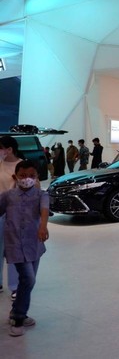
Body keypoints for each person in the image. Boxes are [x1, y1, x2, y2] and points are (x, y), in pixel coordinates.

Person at [0, 160, 50, 337]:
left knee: (27, 282)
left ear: (36, 177)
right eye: (22, 176)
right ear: (15, 177)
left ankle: (17, 310)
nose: (26, 179)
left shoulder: (41, 195)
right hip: (14, 244)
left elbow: (44, 210)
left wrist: (43, 226)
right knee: (28, 279)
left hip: (34, 244)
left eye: (31, 176)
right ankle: (18, 317)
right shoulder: (7, 196)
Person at [0, 136, 22, 298]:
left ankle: (15, 285)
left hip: (14, 213)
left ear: (10, 149)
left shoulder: (21, 165)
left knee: (13, 250)